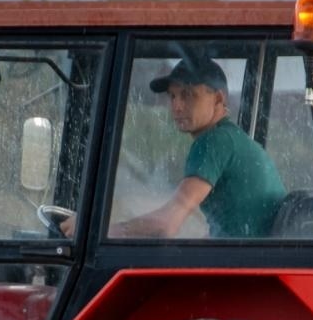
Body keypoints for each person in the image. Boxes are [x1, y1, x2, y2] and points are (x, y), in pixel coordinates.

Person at [113, 58, 286, 238]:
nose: (176, 106)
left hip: (245, 262)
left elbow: (166, 224)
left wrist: (106, 233)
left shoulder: (213, 141)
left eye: (187, 95)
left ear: (218, 99)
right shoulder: (231, 138)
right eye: (172, 96)